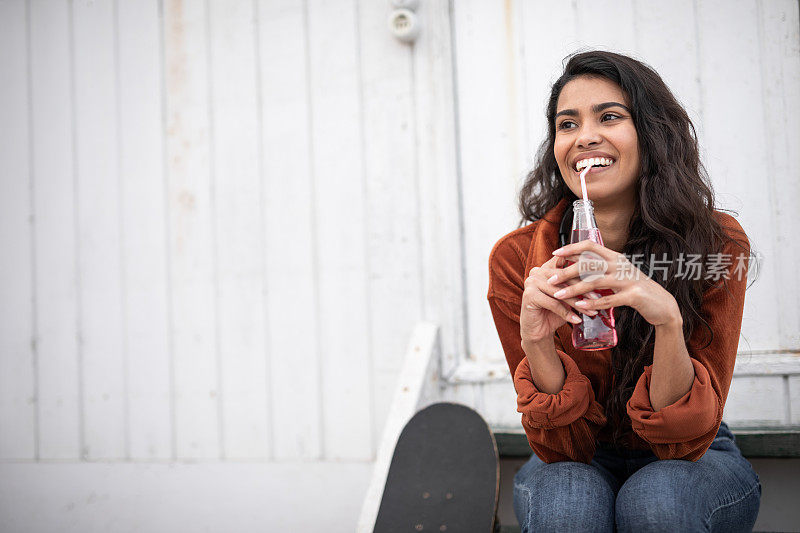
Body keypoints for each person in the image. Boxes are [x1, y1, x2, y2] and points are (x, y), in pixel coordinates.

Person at [486, 50, 762, 532]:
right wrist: (535, 342)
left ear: (651, 134)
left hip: (699, 455)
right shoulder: (518, 260)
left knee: (657, 499)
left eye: (609, 116)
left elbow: (684, 444)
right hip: (576, 455)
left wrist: (667, 320)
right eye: (566, 124)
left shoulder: (715, 245)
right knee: (568, 502)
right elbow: (560, 448)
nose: (584, 136)